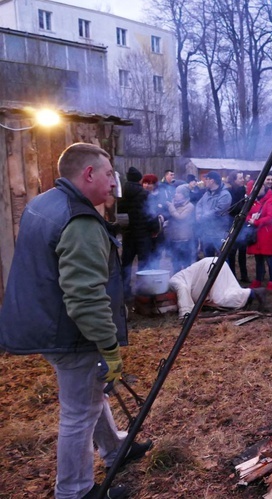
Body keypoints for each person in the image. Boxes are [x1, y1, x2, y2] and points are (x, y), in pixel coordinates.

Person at [0, 143, 152, 499]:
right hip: (68, 331)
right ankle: (74, 490)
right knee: (78, 413)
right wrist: (109, 346)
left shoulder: (43, 202)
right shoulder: (79, 220)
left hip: (44, 321)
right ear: (88, 174)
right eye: (107, 174)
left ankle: (115, 448)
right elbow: (85, 299)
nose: (114, 184)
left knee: (90, 394)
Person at [169, 257, 268, 317]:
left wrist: (185, 314)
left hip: (209, 267)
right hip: (213, 263)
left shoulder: (173, 281)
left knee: (220, 298)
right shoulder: (181, 276)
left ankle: (253, 293)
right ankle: (250, 294)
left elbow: (183, 289)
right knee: (228, 290)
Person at [119, 166, 153, 301]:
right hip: (143, 234)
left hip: (128, 233)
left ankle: (124, 291)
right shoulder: (144, 194)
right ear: (139, 179)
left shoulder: (122, 192)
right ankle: (142, 291)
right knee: (144, 263)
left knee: (126, 263)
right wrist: (155, 227)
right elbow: (150, 214)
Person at [246, 182, 272, 290]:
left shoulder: (271, 200)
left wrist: (255, 221)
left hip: (266, 233)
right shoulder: (254, 201)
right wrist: (249, 219)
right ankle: (258, 279)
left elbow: (270, 217)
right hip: (257, 233)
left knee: (269, 258)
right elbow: (247, 213)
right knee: (258, 258)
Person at [195, 171, 232, 257]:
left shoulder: (225, 195)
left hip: (219, 233)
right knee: (207, 258)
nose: (205, 181)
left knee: (222, 258)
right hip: (206, 232)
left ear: (212, 181)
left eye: (206, 179)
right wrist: (198, 214)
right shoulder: (207, 193)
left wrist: (202, 216)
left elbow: (218, 211)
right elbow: (199, 204)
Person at [164, 184, 196, 273]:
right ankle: (176, 283)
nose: (175, 195)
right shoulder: (174, 204)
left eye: (179, 193)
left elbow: (180, 218)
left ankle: (187, 284)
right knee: (175, 265)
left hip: (185, 240)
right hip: (174, 239)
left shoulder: (189, 206)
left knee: (186, 265)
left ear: (185, 195)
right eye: (176, 192)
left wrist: (171, 207)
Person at [226, 171, 249, 282]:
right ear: (234, 180)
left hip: (243, 225)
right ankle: (232, 277)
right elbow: (233, 209)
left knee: (243, 252)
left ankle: (244, 275)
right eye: (240, 178)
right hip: (232, 224)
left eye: (242, 177)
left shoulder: (244, 191)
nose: (242, 180)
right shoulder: (229, 192)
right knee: (232, 252)